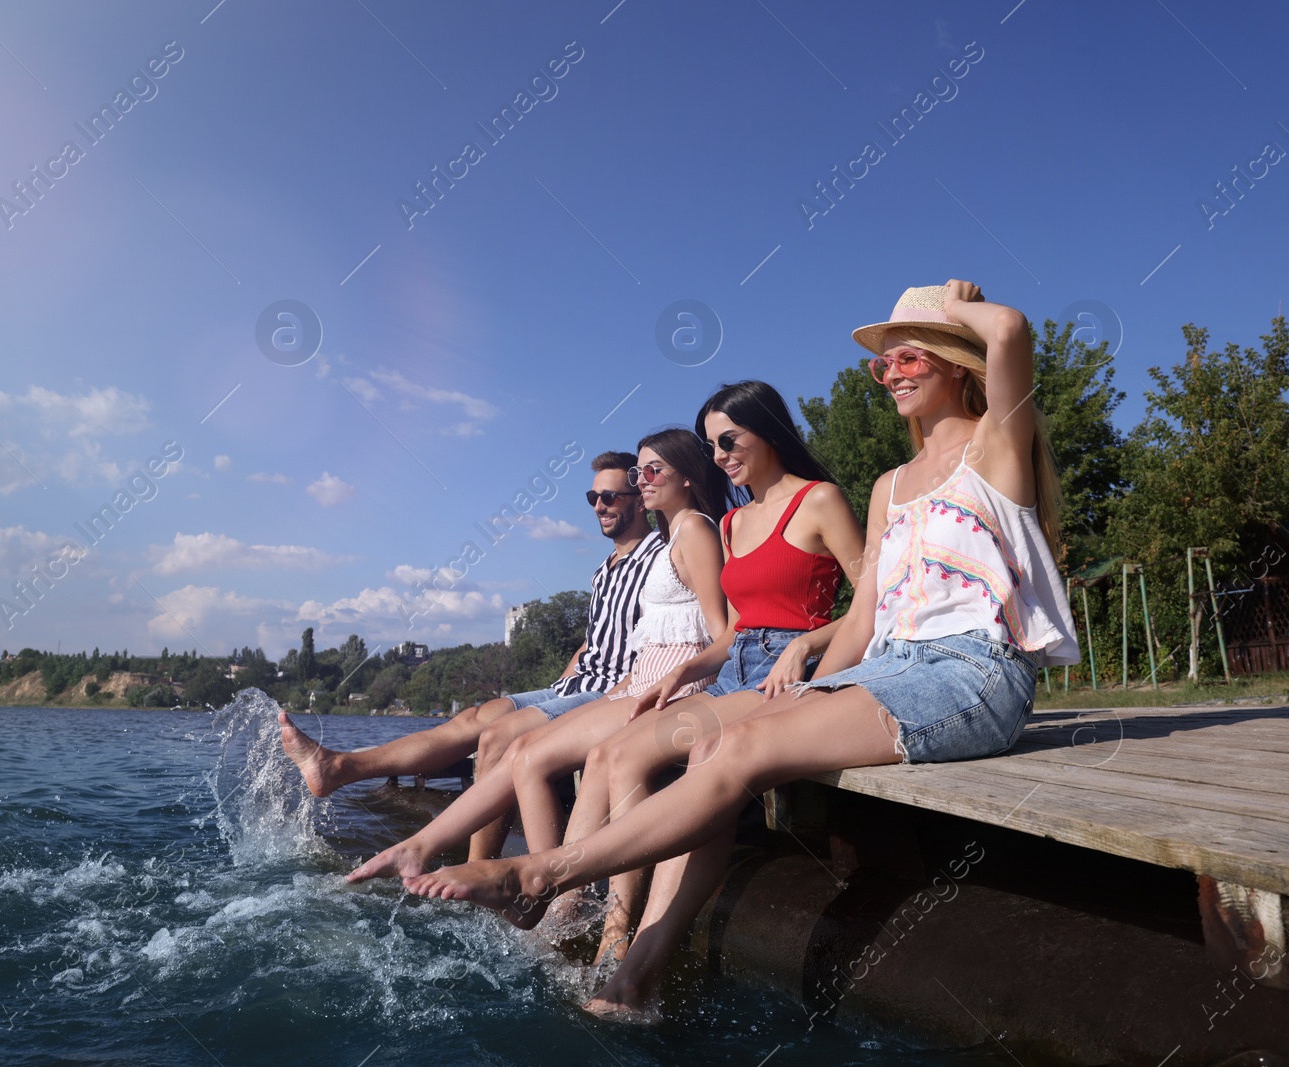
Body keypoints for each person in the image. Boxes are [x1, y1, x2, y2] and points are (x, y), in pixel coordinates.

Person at [403, 280, 1080, 1020]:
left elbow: (1010, 330)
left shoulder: (996, 448)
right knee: (712, 739)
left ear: (955, 360)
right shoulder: (889, 485)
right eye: (882, 366)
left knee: (741, 752)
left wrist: (950, 306)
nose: (892, 376)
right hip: (888, 666)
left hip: (975, 670)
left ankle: (544, 875)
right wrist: (815, 665)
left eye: (908, 357)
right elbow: (865, 616)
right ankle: (635, 976)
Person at [351, 384, 862, 965]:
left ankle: (599, 923)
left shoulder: (800, 504)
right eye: (712, 444)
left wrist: (807, 652)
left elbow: (870, 600)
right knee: (575, 753)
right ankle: (510, 884)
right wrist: (689, 669)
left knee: (564, 753)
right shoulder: (731, 523)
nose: (720, 454)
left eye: (728, 440)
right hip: (718, 672)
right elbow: (734, 631)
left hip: (773, 671)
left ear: (765, 430)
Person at [346, 428, 729, 901]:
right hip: (615, 683)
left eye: (620, 489)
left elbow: (721, 627)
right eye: (594, 496)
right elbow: (612, 640)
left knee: (508, 742)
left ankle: (515, 881)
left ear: (683, 478)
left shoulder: (676, 539)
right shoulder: (616, 564)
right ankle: (362, 783)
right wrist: (573, 684)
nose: (600, 504)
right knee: (483, 722)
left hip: (652, 686)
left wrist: (677, 677)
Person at [280, 452, 664, 859]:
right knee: (475, 718)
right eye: (593, 498)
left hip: (612, 693)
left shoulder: (660, 556)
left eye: (610, 497)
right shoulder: (605, 569)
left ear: (639, 499)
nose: (599, 506)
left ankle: (479, 867)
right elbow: (592, 643)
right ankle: (339, 767)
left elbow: (666, 641)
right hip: (577, 685)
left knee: (498, 734)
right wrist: (557, 690)